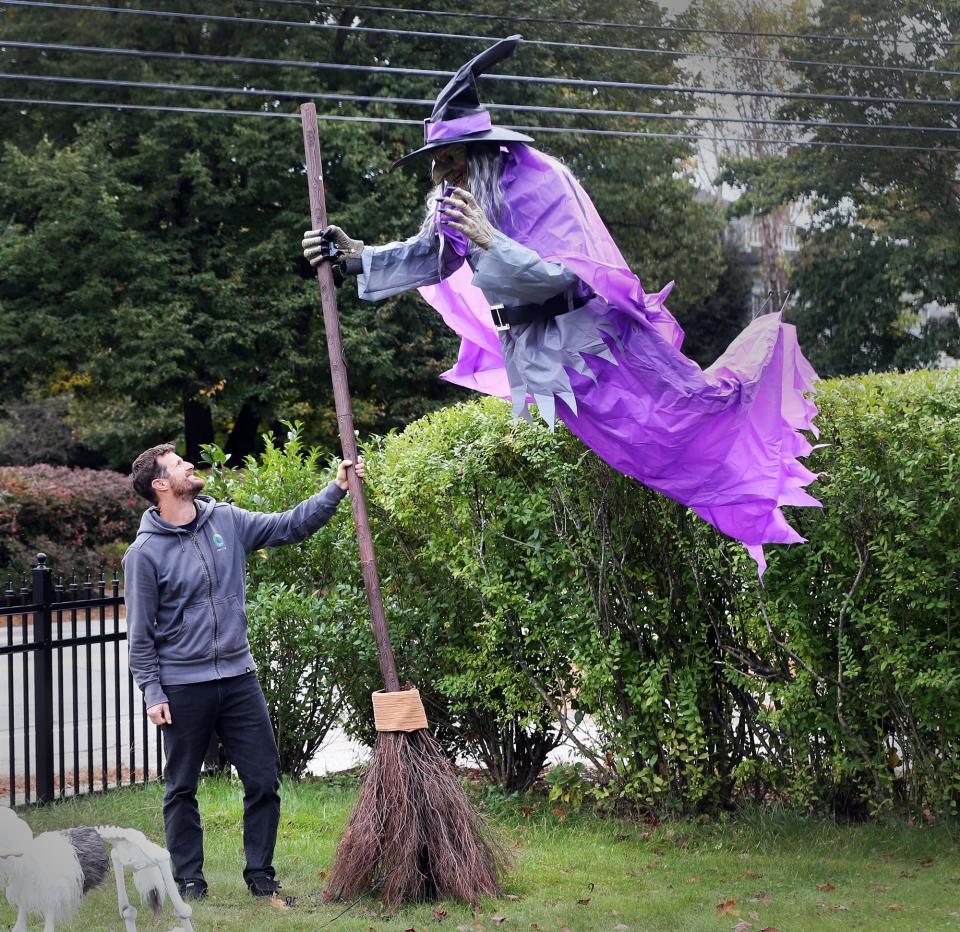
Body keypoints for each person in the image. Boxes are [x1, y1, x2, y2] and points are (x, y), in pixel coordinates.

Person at [302, 35, 819, 573]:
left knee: (685, 420)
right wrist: (355, 255)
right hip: (552, 367)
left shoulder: (543, 182)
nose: (440, 175)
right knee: (644, 459)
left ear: (478, 151)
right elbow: (430, 256)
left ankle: (764, 417)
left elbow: (565, 278)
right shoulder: (460, 200)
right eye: (434, 164)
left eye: (448, 159)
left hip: (601, 351)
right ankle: (734, 490)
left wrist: (491, 242)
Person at [123, 443, 364, 900]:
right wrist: (153, 691)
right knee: (181, 788)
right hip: (182, 685)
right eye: (178, 465)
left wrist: (336, 489)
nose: (189, 466)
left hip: (238, 678)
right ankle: (190, 879)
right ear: (160, 485)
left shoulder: (226, 521)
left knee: (262, 780)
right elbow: (139, 633)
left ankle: (260, 875)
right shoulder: (145, 553)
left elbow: (289, 525)